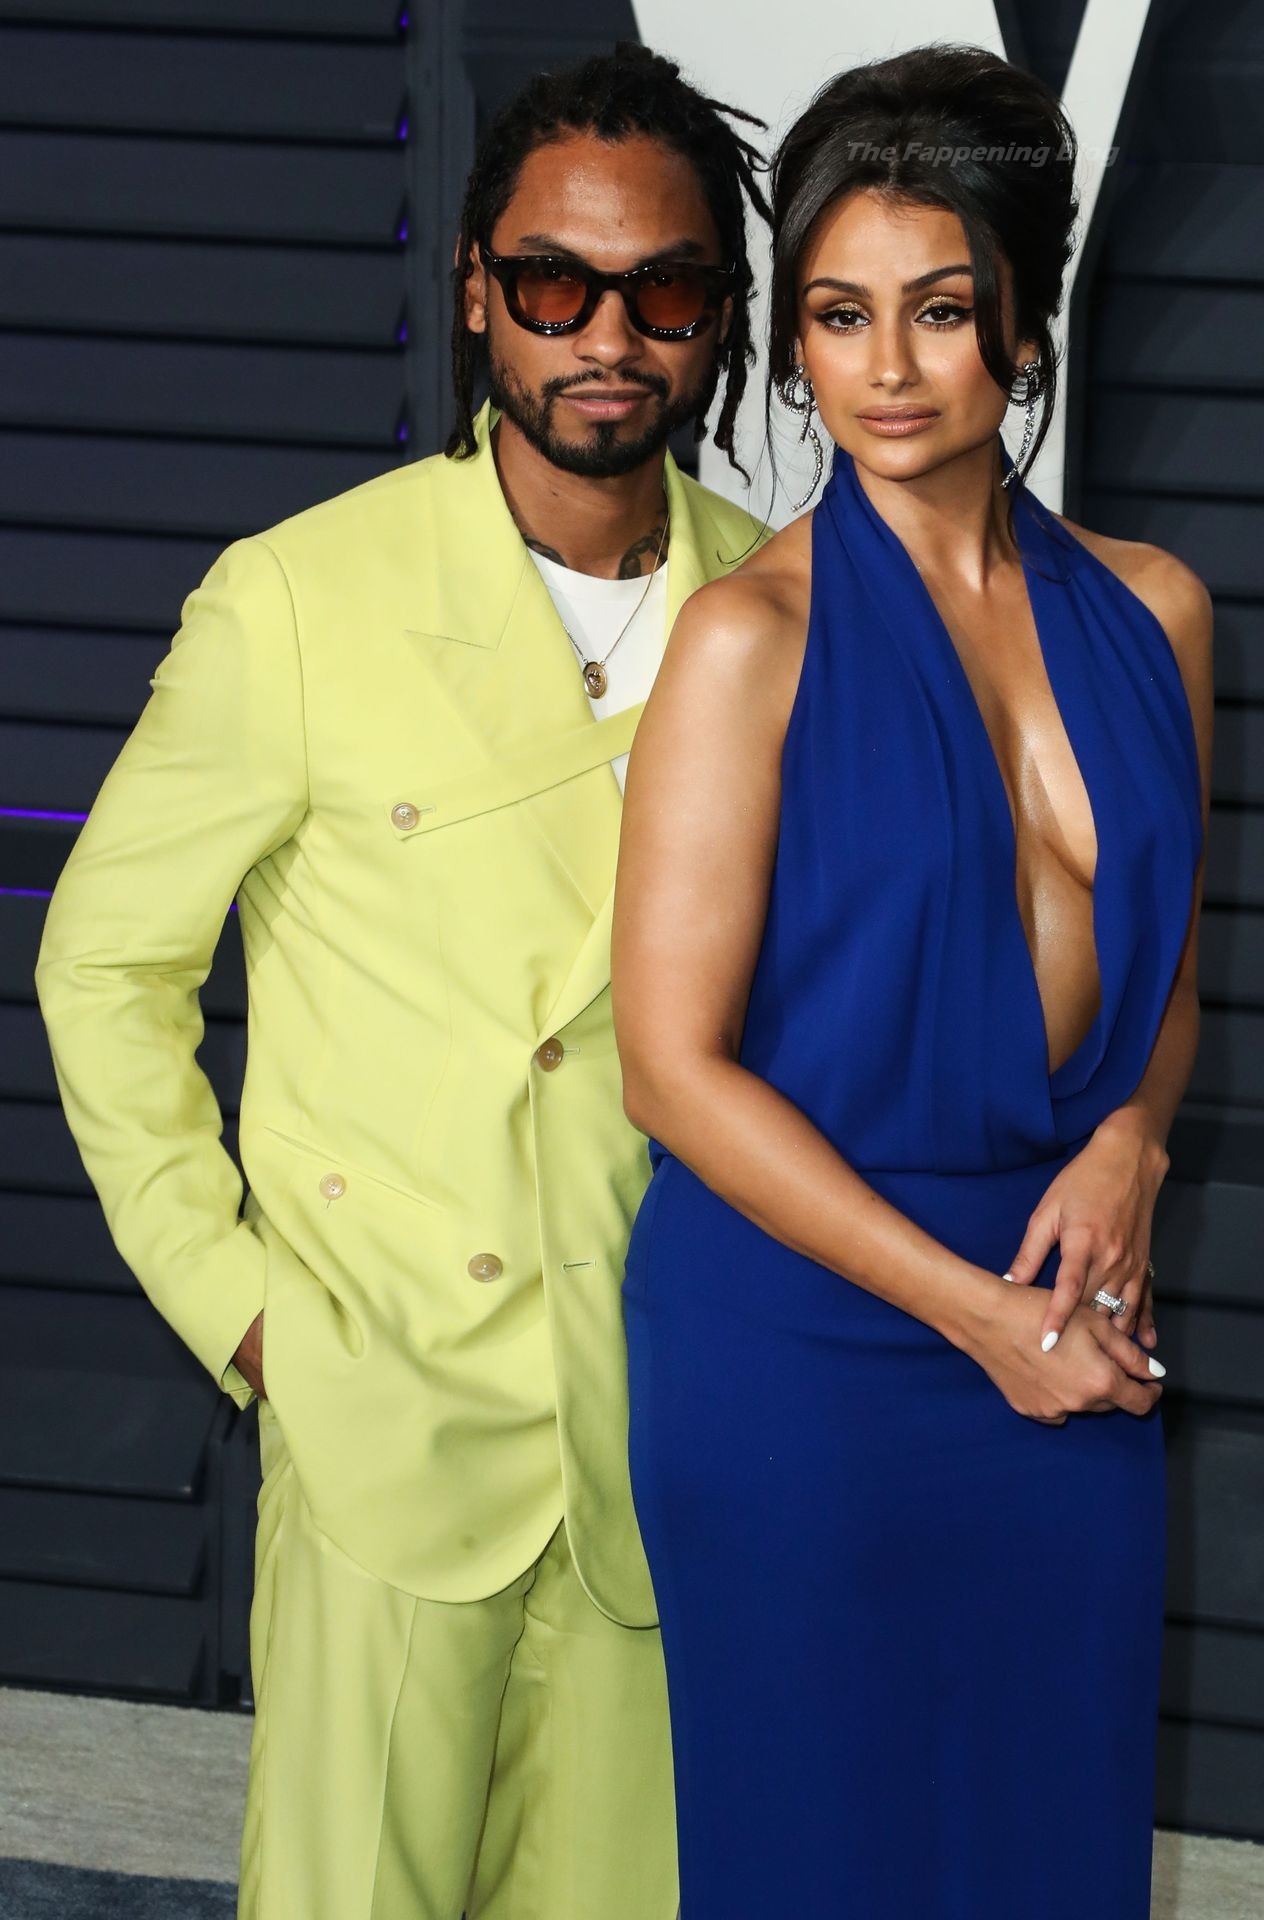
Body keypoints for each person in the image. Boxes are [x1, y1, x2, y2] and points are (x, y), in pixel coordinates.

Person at [33, 43, 771, 1920]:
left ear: (721, 320)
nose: (608, 337)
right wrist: (248, 1314)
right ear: (475, 291)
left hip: (661, 1442)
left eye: (666, 289)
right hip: (388, 1422)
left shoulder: (787, 608)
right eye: (554, 284)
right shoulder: (300, 598)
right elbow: (104, 963)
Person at [611, 43, 1212, 1920]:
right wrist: (974, 1319)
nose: (886, 367)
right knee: (824, 1864)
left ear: (1021, 327)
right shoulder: (748, 639)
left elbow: (1170, 970)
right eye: (839, 314)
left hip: (1067, 1316)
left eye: (941, 311)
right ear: (794, 341)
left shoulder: (1158, 613)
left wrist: (1132, 1141)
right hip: (804, 1350)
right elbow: (667, 1068)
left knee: (1051, 1850)